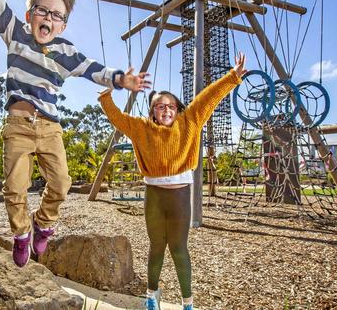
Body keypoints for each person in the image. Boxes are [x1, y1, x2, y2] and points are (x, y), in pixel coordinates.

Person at [0, 0, 151, 267]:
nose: (49, 17)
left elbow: (91, 68)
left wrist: (121, 79)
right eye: (43, 11)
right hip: (18, 125)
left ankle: (43, 222)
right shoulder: (16, 34)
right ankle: (20, 234)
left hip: (50, 128)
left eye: (56, 15)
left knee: (61, 183)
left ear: (63, 24)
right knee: (14, 187)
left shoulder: (65, 51)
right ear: (31, 15)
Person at [99, 53, 247, 310]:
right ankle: (151, 296)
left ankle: (187, 302)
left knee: (179, 249)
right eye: (159, 105)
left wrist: (233, 76)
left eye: (169, 105)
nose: (165, 109)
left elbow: (210, 96)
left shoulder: (190, 120)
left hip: (180, 196)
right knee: (156, 247)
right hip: (154, 196)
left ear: (177, 108)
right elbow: (115, 116)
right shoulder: (140, 127)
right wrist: (107, 93)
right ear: (153, 112)